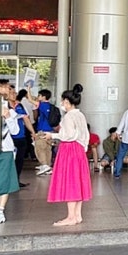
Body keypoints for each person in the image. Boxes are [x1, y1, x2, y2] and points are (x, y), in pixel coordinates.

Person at [44, 84, 91, 226]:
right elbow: (85, 135)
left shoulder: (69, 117)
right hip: (79, 150)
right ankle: (77, 215)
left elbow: (68, 135)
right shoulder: (80, 115)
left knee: (70, 181)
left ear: (66, 101)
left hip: (69, 150)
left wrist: (52, 135)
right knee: (78, 181)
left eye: (63, 101)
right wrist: (83, 147)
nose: (62, 104)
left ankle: (71, 217)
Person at [0, 79, 22, 222]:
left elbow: (15, 131)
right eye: (7, 88)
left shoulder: (10, 109)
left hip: (5, 148)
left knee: (5, 180)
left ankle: (0, 210)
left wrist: (8, 117)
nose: (10, 91)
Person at [33, 88, 58, 176]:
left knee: (39, 148)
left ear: (43, 97)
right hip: (50, 131)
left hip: (42, 131)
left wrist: (28, 89)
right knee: (48, 150)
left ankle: (44, 165)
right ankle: (47, 166)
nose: (38, 97)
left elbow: (30, 99)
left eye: (39, 95)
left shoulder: (42, 105)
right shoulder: (51, 106)